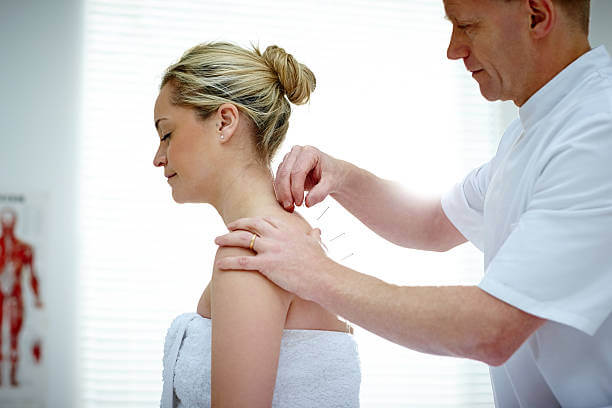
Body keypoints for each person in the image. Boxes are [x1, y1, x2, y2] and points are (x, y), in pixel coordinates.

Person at [214, 0, 612, 406]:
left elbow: (491, 329)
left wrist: (314, 272)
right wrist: (342, 176)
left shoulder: (597, 132)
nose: (453, 49)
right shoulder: (533, 134)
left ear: (537, 16)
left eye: (467, 25)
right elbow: (432, 224)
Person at [154, 42, 361, 407]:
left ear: (224, 121)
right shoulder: (281, 238)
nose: (158, 158)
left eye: (166, 134)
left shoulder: (255, 252)